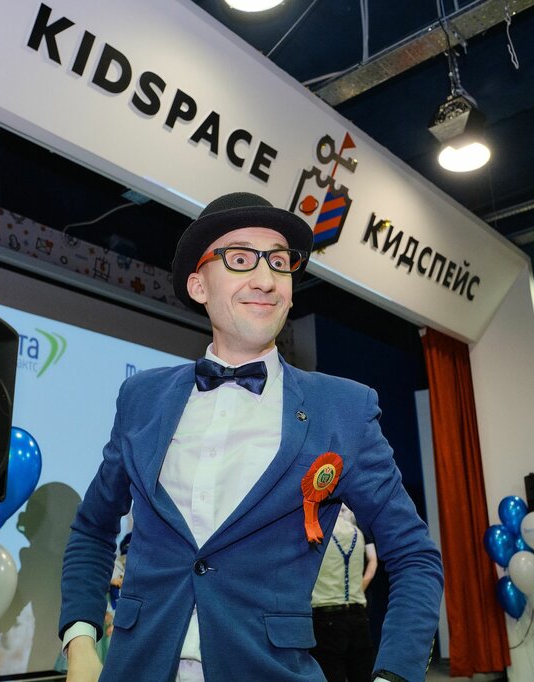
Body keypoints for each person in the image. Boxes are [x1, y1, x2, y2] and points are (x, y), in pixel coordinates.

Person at [58, 192, 443, 682]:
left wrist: (395, 675)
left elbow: (414, 556)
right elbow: (92, 529)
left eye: (279, 263)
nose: (265, 280)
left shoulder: (343, 409)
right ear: (198, 285)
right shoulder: (141, 398)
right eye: (240, 259)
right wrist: (81, 642)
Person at [310, 505, 378, 682]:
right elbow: (372, 563)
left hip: (326, 617)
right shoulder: (358, 533)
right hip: (358, 615)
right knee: (361, 673)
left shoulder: (317, 533)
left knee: (331, 673)